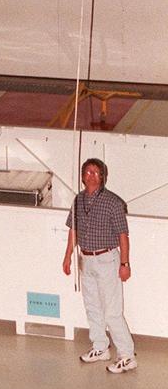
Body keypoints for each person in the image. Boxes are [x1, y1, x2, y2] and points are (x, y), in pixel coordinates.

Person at [62, 156, 136, 373]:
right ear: (83, 177)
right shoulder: (78, 200)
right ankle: (100, 346)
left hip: (107, 260)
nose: (91, 175)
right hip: (86, 260)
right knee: (92, 306)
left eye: (95, 172)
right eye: (87, 172)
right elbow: (73, 231)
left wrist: (125, 263)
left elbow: (123, 235)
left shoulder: (113, 202)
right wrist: (68, 257)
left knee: (112, 311)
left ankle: (127, 355)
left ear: (103, 177)